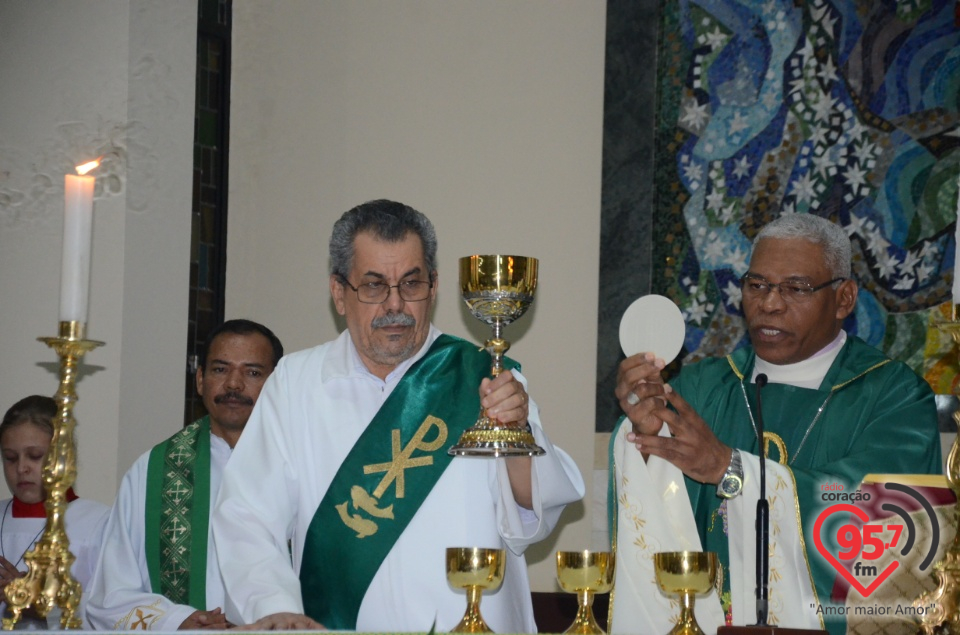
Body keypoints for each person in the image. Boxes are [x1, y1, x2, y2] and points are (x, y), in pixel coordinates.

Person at [212, 199, 585, 632]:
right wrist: (273, 608)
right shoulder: (296, 384)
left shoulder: (480, 377)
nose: (395, 306)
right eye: (373, 286)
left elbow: (536, 510)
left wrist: (517, 433)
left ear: (435, 285)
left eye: (411, 284)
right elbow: (247, 516)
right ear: (338, 292)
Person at [609, 214, 941, 635]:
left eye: (796, 288)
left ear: (843, 299)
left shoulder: (893, 396)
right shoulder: (700, 387)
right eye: (757, 285)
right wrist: (647, 434)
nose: (770, 304)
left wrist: (731, 469)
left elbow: (892, 521)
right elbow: (656, 516)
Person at [86, 319, 283, 630]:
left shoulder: (303, 468)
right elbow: (108, 598)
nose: (233, 384)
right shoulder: (152, 472)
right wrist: (177, 621)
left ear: (278, 382)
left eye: (253, 372)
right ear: (200, 380)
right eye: (220, 369)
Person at [0, 395, 109, 629]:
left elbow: (109, 611)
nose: (21, 467)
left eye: (35, 456)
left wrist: (40, 603)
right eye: (10, 458)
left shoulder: (98, 523)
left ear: (65, 455)